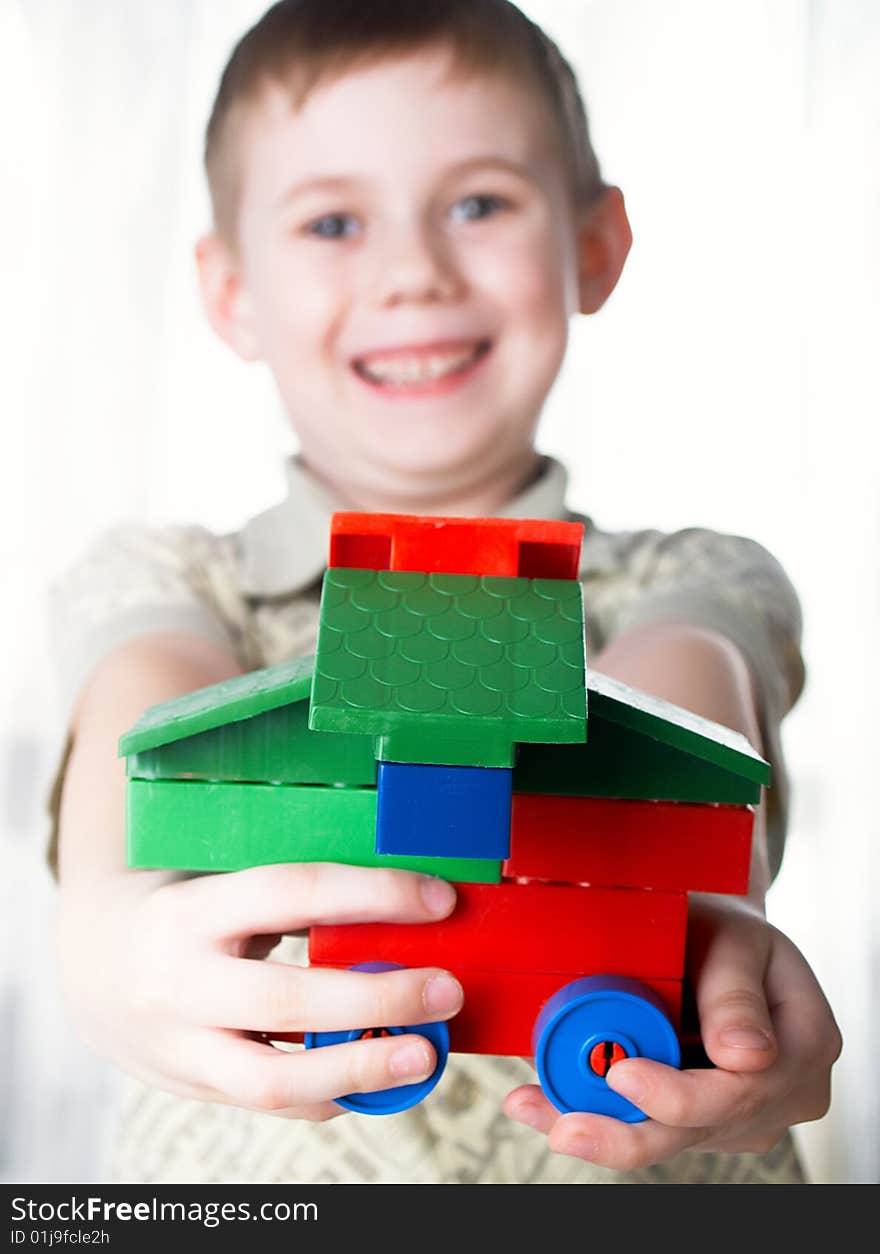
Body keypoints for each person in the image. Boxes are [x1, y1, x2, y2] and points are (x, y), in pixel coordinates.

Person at [47, 0, 840, 1184]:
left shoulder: (690, 574)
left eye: (479, 203)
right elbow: (140, 718)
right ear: (229, 292)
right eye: (331, 222)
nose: (412, 274)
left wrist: (710, 938)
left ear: (596, 245)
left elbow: (684, 704)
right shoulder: (176, 580)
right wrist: (109, 926)